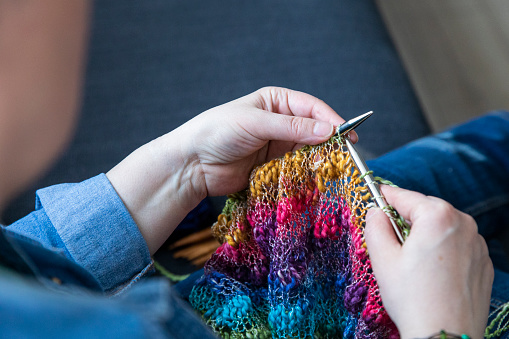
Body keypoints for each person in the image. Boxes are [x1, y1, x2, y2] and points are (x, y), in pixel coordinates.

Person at [0, 1, 498, 338]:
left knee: (491, 147)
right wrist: (443, 324)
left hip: (230, 293)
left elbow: (29, 264)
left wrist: (185, 166)